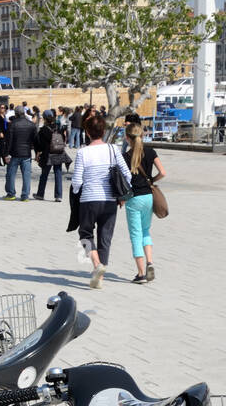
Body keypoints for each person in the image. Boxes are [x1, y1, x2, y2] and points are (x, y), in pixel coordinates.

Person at [67, 109, 132, 289]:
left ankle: (97, 265)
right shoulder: (113, 149)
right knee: (105, 237)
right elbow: (127, 175)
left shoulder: (83, 152)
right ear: (103, 131)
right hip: (110, 200)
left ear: (87, 132)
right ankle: (100, 277)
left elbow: (77, 181)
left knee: (85, 234)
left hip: (89, 199)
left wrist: (76, 190)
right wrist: (121, 194)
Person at [122, 121, 165, 283]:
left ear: (127, 138)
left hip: (133, 198)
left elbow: (123, 180)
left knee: (135, 234)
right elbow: (163, 172)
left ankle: (140, 273)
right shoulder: (151, 151)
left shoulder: (126, 156)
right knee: (146, 231)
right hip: (148, 196)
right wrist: (152, 180)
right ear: (142, 135)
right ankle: (150, 262)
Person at [4, 104, 37, 200]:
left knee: (10, 174)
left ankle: (11, 193)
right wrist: (37, 152)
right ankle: (25, 195)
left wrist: (6, 153)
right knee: (26, 175)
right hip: (26, 153)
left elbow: (9, 141)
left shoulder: (12, 124)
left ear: (16, 114)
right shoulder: (31, 124)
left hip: (14, 153)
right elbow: (35, 140)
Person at [34, 110, 67, 202]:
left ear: (44, 118)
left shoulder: (43, 130)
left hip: (48, 154)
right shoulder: (58, 128)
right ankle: (58, 195)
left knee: (44, 174)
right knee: (58, 173)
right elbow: (63, 139)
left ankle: (40, 194)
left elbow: (39, 144)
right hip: (58, 152)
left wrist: (38, 153)